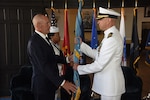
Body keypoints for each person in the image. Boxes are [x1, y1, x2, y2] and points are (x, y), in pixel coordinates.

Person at [73, 7, 125, 100]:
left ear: (109, 20)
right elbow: (97, 54)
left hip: (110, 86)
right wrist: (81, 45)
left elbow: (99, 65)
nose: (98, 22)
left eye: (100, 19)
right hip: (107, 85)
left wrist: (79, 68)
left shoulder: (111, 39)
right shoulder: (108, 36)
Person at [27, 14, 76, 100]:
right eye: (47, 23)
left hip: (49, 84)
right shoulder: (34, 42)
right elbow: (44, 66)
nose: (50, 25)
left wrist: (67, 59)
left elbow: (51, 57)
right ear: (39, 26)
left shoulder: (44, 39)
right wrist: (62, 82)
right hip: (42, 86)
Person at [48, 26, 74, 100]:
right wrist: (67, 59)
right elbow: (56, 59)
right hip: (53, 77)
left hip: (59, 75)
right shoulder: (50, 47)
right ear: (52, 36)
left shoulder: (56, 46)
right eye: (57, 35)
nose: (59, 37)